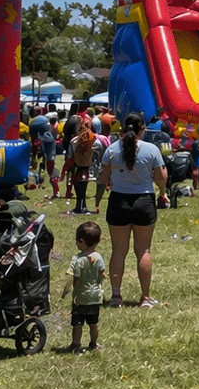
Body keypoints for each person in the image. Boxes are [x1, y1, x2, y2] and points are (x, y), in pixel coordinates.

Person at [100, 112, 167, 308]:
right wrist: (163, 193)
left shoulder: (112, 149)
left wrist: (108, 184)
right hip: (143, 202)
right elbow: (161, 176)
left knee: (118, 251)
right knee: (143, 250)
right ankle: (145, 297)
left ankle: (115, 296)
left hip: (118, 201)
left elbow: (102, 177)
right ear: (143, 128)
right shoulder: (151, 149)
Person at [60, 221, 106, 353]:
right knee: (93, 324)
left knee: (77, 324)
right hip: (95, 297)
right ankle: (93, 344)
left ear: (81, 241)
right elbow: (102, 274)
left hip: (80, 298)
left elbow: (74, 278)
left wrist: (65, 291)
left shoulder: (77, 259)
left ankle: (76, 344)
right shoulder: (99, 257)